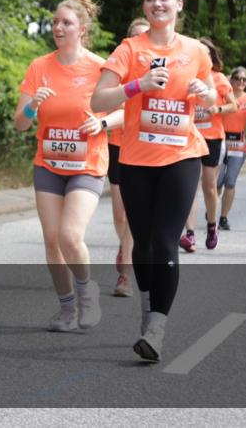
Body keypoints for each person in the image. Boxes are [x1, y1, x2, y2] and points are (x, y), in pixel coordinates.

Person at [92, 0, 215, 362]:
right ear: (144, 6)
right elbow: (98, 100)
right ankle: (148, 313)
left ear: (179, 4)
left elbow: (211, 97)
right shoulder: (130, 49)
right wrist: (137, 86)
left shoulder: (195, 50)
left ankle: (157, 328)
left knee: (164, 243)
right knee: (142, 245)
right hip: (135, 160)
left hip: (182, 155)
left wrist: (203, 93)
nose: (157, 4)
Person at [14, 0, 122, 332]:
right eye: (55, 22)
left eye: (66, 23)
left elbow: (125, 113)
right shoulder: (39, 67)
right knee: (51, 241)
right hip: (48, 163)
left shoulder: (100, 67)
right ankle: (66, 308)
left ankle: (87, 292)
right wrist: (33, 107)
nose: (58, 28)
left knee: (70, 236)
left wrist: (102, 123)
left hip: (87, 163)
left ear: (82, 28)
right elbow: (20, 122)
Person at [180, 38, 236, 252]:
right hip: (188, 135)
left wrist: (218, 110)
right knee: (189, 187)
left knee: (209, 186)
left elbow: (233, 105)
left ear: (211, 56)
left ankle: (212, 225)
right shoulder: (187, 74)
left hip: (212, 138)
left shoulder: (219, 78)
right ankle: (190, 234)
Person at [107, 18, 149, 298]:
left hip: (143, 148)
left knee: (133, 214)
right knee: (120, 213)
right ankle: (125, 245)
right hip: (117, 144)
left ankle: (125, 275)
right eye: (135, 37)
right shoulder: (117, 69)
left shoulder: (161, 73)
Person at [217, 66, 246, 229]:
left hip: (238, 144)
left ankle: (223, 217)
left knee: (230, 181)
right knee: (217, 182)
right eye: (238, 78)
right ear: (231, 80)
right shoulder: (224, 96)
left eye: (244, 79)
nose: (241, 82)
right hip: (221, 140)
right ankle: (213, 208)